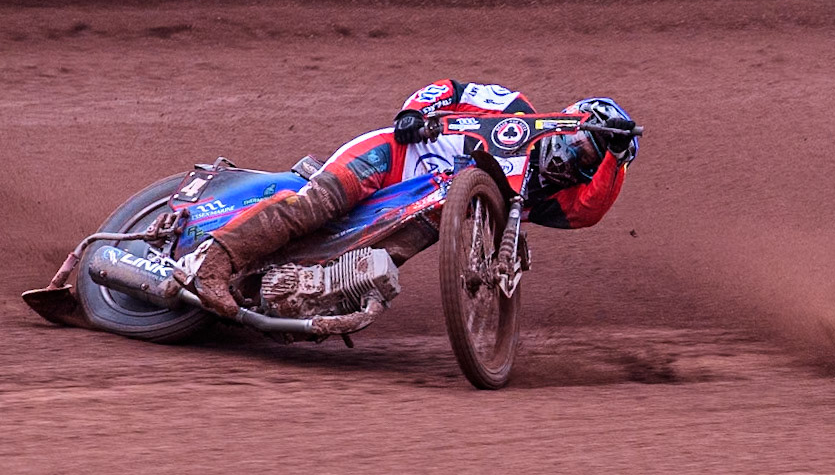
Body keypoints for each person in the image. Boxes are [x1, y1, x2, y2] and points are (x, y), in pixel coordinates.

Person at [186, 80, 638, 317]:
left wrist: (614, 158)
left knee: (372, 262)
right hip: (393, 157)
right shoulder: (516, 111)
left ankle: (268, 292)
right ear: (570, 122)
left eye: (586, 163)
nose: (573, 160)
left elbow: (588, 212)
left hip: (417, 213)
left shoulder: (540, 199)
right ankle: (214, 264)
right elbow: (455, 90)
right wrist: (415, 112)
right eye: (581, 144)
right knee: (316, 207)